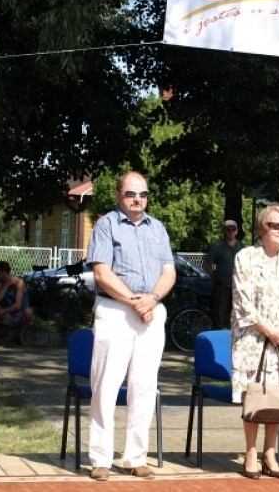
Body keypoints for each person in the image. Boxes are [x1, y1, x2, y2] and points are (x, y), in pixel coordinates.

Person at [86, 171, 176, 482]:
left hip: (151, 312)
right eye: (130, 194)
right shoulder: (106, 224)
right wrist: (134, 302)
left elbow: (169, 272)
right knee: (106, 385)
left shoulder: (158, 228)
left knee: (144, 387)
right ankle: (100, 458)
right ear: (118, 195)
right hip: (115, 311)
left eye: (143, 194)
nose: (137, 199)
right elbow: (102, 273)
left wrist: (151, 299)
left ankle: (135, 458)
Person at [231, 204, 279, 480]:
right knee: (255, 394)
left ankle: (270, 453)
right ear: (262, 228)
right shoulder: (245, 257)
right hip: (253, 338)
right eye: (275, 225)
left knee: (277, 395)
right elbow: (241, 299)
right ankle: (251, 452)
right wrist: (267, 329)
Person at [0, 261, 35, 346]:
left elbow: (17, 305)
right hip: (7, 315)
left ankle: (20, 336)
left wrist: (0, 312)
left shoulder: (19, 282)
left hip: (19, 315)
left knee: (29, 311)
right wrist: (6, 285)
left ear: (3, 272)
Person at [205, 219, 244, 329]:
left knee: (237, 314)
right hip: (223, 286)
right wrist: (215, 278)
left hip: (239, 286)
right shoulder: (217, 246)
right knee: (219, 315)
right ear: (224, 231)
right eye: (228, 229)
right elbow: (208, 264)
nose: (230, 232)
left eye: (233, 229)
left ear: (237, 231)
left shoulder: (241, 246)